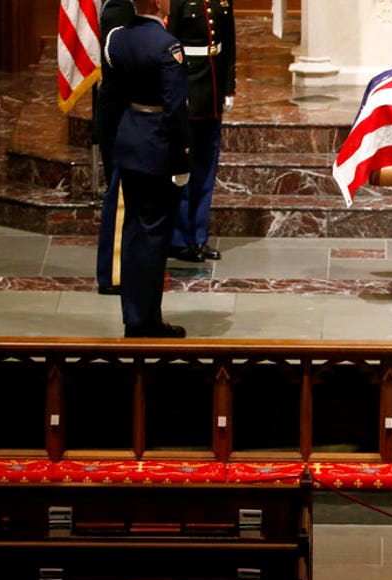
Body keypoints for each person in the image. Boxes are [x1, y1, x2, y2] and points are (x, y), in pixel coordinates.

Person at [106, 0, 192, 337]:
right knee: (155, 237)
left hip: (129, 144)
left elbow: (110, 100)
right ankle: (147, 321)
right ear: (158, 3)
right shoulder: (166, 45)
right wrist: (183, 159)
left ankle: (133, 315)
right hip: (158, 149)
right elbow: (174, 110)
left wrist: (115, 146)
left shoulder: (116, 38)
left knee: (133, 234)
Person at [166, 0, 236, 263]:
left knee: (207, 166)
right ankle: (180, 239)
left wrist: (229, 86)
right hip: (188, 84)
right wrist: (175, 90)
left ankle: (199, 236)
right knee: (184, 165)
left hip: (213, 86)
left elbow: (228, 42)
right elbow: (169, 45)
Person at [94, 0, 137, 295]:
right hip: (120, 123)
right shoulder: (120, 11)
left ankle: (127, 267)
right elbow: (128, 71)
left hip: (123, 122)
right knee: (120, 201)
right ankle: (115, 274)